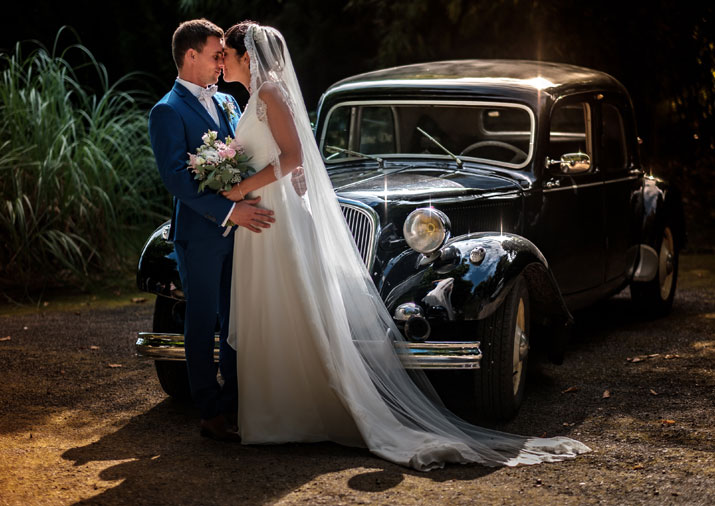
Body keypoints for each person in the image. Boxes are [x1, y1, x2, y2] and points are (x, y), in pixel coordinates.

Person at [220, 20, 591, 471]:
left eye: (226, 52)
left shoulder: (271, 94)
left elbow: (293, 155)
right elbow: (292, 160)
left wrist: (241, 188)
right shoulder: (256, 96)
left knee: (288, 309)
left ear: (246, 55)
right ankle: (272, 411)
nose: (220, 60)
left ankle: (295, 412)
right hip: (267, 215)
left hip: (269, 212)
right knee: (274, 310)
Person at [148, 19, 275, 442]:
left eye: (224, 54)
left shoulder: (228, 103)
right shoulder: (166, 110)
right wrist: (228, 213)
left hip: (242, 232)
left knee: (237, 317)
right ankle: (209, 411)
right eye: (216, 53)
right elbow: (177, 180)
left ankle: (237, 403)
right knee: (202, 321)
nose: (222, 62)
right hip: (200, 235)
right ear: (190, 55)